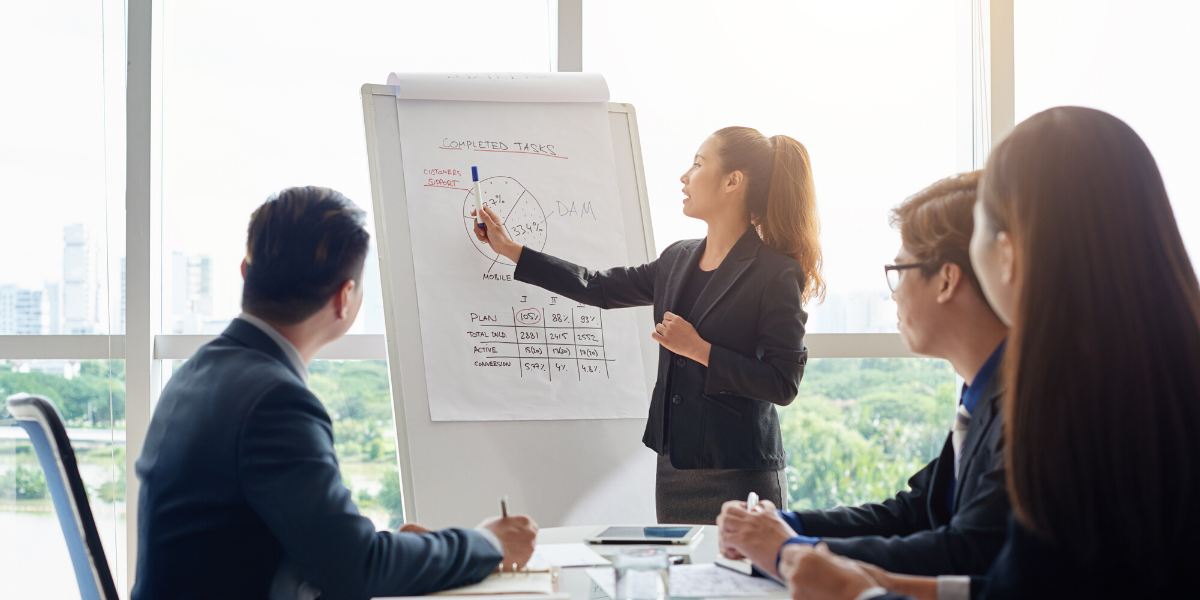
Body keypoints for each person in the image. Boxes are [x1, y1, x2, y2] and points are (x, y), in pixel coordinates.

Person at [775, 106, 1200, 599]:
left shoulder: (1070, 412)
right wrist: (886, 581)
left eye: (980, 226)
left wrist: (856, 592)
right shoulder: (1150, 377)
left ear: (1008, 251)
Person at [133, 187, 538, 600]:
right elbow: (358, 570)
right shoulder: (274, 401)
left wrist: (403, 552)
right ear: (345, 298)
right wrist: (487, 543)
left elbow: (304, 550)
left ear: (244, 272)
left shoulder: (198, 373)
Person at [474, 126, 823, 524]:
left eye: (697, 164)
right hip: (674, 465)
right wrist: (511, 250)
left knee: (738, 586)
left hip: (739, 472)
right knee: (678, 583)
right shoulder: (677, 258)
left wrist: (699, 349)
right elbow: (600, 287)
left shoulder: (775, 273)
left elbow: (782, 383)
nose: (684, 177)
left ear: (733, 181)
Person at [718, 171, 1011, 578]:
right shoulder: (982, 394)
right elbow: (916, 512)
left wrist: (790, 550)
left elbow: (966, 553)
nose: (894, 291)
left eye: (900, 269)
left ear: (946, 279)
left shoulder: (1028, 411)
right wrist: (788, 529)